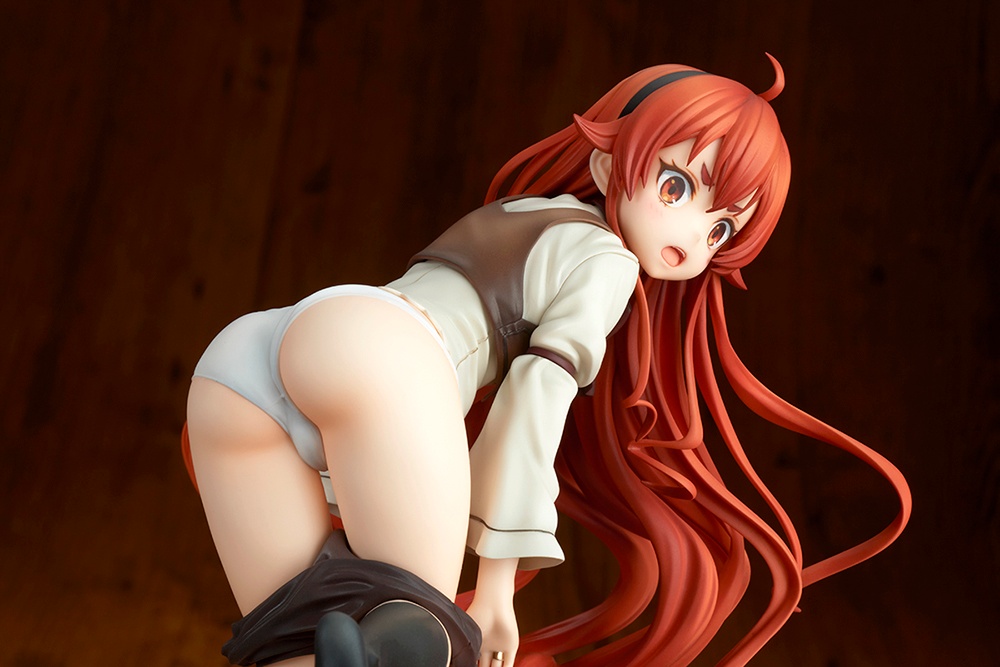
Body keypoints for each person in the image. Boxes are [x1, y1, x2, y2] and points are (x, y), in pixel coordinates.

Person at [184, 56, 911, 667]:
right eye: (677, 187)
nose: (692, 237)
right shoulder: (607, 263)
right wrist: (496, 588)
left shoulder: (527, 213)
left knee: (294, 646)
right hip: (389, 356)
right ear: (608, 162)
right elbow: (533, 405)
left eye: (720, 229)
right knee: (421, 637)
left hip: (249, 361)